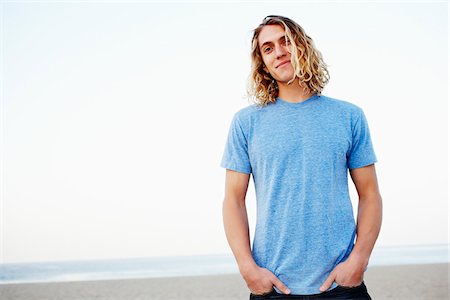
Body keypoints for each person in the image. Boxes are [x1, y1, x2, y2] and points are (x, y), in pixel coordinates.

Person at [220, 15, 382, 300]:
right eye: (268, 48)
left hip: (341, 287)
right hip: (273, 287)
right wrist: (248, 269)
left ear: (303, 47)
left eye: (286, 41)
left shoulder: (349, 116)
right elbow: (233, 199)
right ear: (262, 62)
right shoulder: (246, 123)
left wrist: (359, 260)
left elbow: (369, 194)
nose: (279, 51)